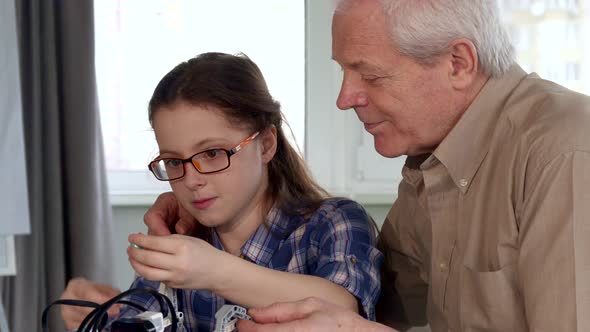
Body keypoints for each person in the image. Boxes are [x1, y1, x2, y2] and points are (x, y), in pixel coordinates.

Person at [65, 0, 590, 330]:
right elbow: (376, 299)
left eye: (370, 74)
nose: (344, 98)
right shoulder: (433, 166)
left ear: (457, 62)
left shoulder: (564, 152)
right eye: (176, 161)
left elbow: (345, 313)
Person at [59, 52, 383, 331]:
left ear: (266, 144)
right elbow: (136, 317)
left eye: (212, 153)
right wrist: (99, 312)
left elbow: (343, 313)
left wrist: (212, 271)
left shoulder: (334, 222)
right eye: (173, 161)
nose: (191, 180)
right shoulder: (177, 241)